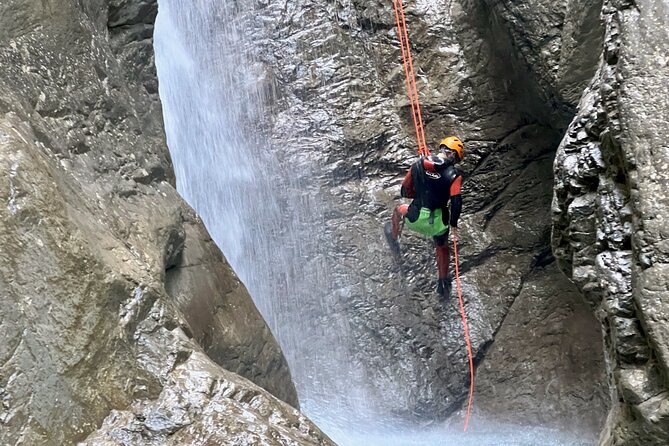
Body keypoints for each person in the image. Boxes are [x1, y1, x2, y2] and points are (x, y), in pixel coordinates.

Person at [384, 136, 464, 299]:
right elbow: (456, 202)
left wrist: (419, 193)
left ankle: (393, 237)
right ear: (454, 156)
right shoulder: (455, 175)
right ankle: (443, 282)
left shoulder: (418, 164)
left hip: (414, 219)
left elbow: (405, 191)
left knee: (398, 210)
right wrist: (454, 223)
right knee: (442, 245)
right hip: (437, 225)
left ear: (442, 149)